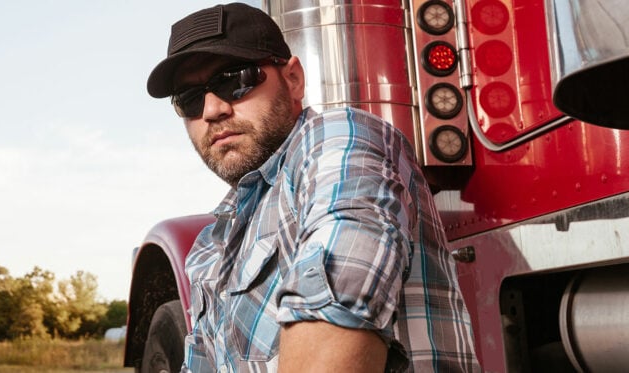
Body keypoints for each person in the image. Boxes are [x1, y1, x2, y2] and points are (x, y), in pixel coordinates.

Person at [145, 3, 481, 372]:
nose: (211, 109)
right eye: (189, 99)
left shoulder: (337, 139)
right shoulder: (212, 246)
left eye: (235, 79)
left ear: (293, 80)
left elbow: (337, 296)